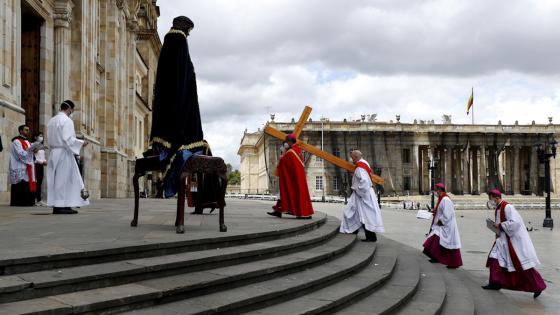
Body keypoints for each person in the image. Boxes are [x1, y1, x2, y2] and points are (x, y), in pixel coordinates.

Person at [149, 16, 215, 201]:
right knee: (201, 148)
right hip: (181, 123)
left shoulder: (169, 42)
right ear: (185, 28)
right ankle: (207, 197)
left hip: (165, 119)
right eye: (189, 30)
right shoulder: (179, 41)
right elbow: (184, 77)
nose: (188, 34)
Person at [483, 189, 546, 298]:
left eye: (491, 199)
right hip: (502, 240)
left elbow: (515, 223)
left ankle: (538, 286)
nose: (490, 201)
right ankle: (495, 283)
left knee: (522, 266)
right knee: (494, 259)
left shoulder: (507, 207)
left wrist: (501, 225)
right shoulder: (498, 208)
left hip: (513, 241)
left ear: (496, 198)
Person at [47, 100, 89, 214]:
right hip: (63, 152)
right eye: (72, 110)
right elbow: (67, 139)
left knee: (57, 179)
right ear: (69, 109)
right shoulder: (67, 120)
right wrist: (81, 142)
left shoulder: (52, 120)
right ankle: (60, 206)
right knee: (63, 179)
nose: (72, 112)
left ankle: (64, 204)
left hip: (54, 152)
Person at [339, 150, 384, 241]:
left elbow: (365, 182)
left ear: (356, 157)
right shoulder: (364, 163)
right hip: (364, 194)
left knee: (364, 215)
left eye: (352, 158)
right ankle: (353, 230)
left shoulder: (360, 168)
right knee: (356, 213)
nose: (352, 160)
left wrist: (359, 192)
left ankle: (370, 237)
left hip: (362, 195)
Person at [267, 134, 314, 219]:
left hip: (293, 179)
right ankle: (278, 211)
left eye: (286, 141)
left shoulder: (291, 152)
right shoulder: (297, 150)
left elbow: (284, 162)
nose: (286, 143)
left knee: (287, 192)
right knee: (282, 193)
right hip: (297, 178)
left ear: (289, 142)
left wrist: (281, 158)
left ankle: (302, 213)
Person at [422, 183, 463, 268]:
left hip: (446, 225)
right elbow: (441, 211)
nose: (436, 192)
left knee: (446, 243)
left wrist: (441, 221)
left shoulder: (445, 200)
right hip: (442, 224)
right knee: (436, 239)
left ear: (440, 190)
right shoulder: (442, 199)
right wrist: (434, 212)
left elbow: (447, 214)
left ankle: (453, 262)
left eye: (436, 190)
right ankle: (435, 257)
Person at [9, 125, 36, 206]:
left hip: (28, 166)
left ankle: (28, 202)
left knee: (26, 183)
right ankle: (19, 202)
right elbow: (20, 153)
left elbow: (29, 153)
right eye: (26, 130)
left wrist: (35, 150)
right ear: (20, 131)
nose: (28, 131)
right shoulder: (16, 141)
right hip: (19, 165)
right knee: (20, 183)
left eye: (28, 130)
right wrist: (30, 152)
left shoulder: (28, 141)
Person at [34, 132, 47, 206]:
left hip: (41, 165)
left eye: (42, 136)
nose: (41, 137)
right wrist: (40, 147)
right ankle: (35, 199)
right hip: (36, 165)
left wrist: (44, 161)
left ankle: (39, 199)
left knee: (40, 182)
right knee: (36, 182)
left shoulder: (42, 145)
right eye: (40, 136)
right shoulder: (34, 144)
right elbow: (33, 155)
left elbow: (42, 156)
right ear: (35, 137)